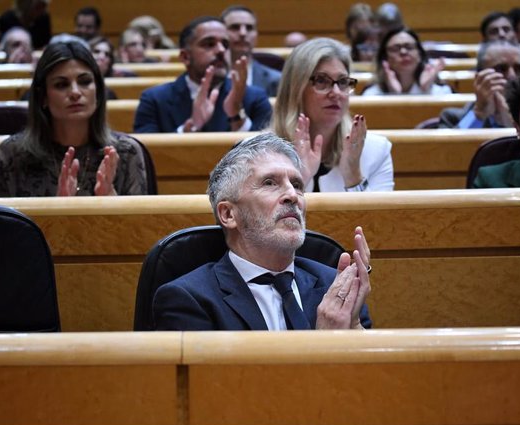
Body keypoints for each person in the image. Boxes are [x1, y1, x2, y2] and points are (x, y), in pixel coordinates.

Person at [152, 132, 372, 331]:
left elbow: (377, 375)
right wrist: (326, 345)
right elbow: (221, 378)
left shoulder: (338, 287)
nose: (292, 195)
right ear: (229, 214)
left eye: (296, 184)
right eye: (269, 183)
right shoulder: (188, 300)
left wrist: (355, 332)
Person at [0, 41, 148, 197]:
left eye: (85, 82)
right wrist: (58, 213)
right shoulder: (12, 155)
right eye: (61, 85)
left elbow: (143, 225)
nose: (75, 92)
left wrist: (111, 201)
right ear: (43, 97)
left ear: (98, 92)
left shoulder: (127, 152)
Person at [272, 37, 394, 192]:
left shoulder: (376, 151)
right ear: (296, 89)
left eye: (342, 82)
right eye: (322, 81)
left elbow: (379, 217)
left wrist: (353, 176)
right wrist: (300, 179)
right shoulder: (260, 153)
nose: (336, 93)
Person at [134, 16, 272, 134]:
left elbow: (268, 156)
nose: (221, 50)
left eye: (225, 44)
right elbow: (146, 157)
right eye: (209, 44)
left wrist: (236, 115)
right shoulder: (154, 100)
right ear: (185, 57)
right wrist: (188, 129)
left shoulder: (254, 98)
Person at [438, 40, 520, 129]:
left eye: (519, 69)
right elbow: (452, 143)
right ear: (479, 79)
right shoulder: (451, 118)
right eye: (501, 68)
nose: (512, 76)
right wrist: (479, 113)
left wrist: (511, 123)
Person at [363, 27, 451, 96]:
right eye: (395, 48)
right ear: (385, 58)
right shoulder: (372, 95)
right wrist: (393, 95)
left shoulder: (442, 93)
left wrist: (424, 92)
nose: (403, 52)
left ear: (420, 54)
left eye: (409, 47)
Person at [221, 5, 282, 97]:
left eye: (249, 28)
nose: (243, 33)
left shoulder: (276, 80)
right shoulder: (206, 77)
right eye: (235, 27)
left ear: (256, 35)